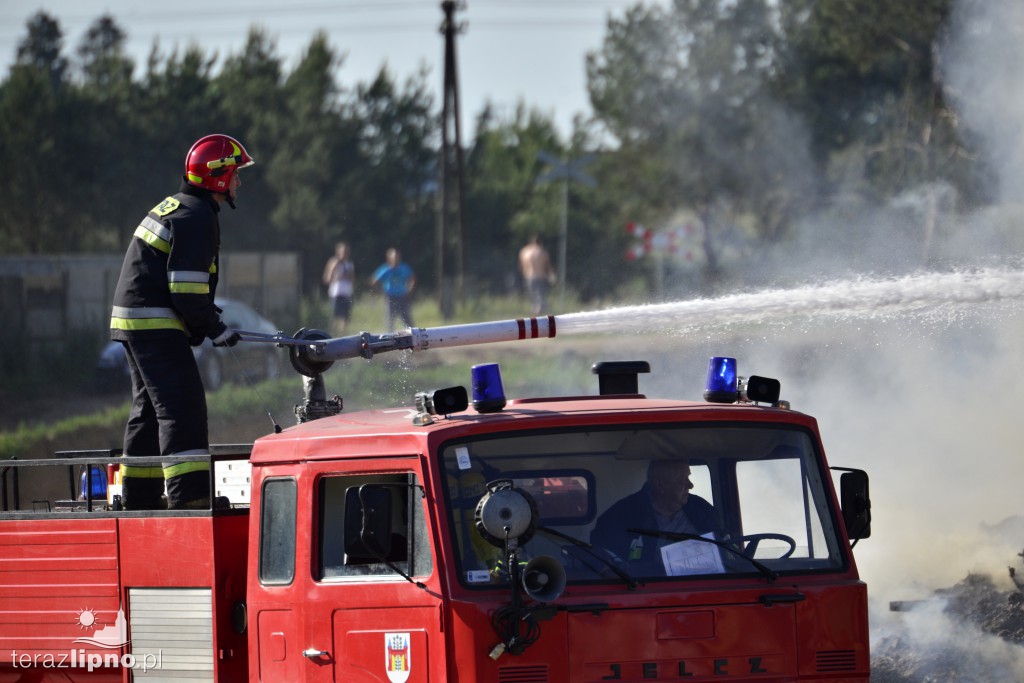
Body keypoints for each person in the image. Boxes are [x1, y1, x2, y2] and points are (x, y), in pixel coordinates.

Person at [109, 134, 254, 510]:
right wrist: (214, 327)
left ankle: (139, 497)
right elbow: (186, 288)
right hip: (154, 321)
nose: (239, 181)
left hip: (137, 318)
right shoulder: (197, 216)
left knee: (148, 409)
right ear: (217, 177)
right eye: (235, 174)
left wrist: (210, 321)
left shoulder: (180, 207)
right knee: (182, 405)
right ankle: (189, 498)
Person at [590, 459, 719, 574]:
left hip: (703, 585)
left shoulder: (701, 509)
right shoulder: (619, 517)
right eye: (681, 481)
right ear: (659, 485)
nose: (690, 485)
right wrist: (657, 569)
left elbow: (727, 546)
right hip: (647, 591)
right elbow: (607, 567)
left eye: (688, 478)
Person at [370, 248, 415, 331]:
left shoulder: (404, 267)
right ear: (389, 258)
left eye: (397, 257)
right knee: (390, 319)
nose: (396, 259)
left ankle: (412, 334)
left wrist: (409, 289)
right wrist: (379, 290)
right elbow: (374, 280)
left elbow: (412, 278)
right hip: (390, 297)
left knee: (407, 318)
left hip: (402, 296)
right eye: (394, 257)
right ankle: (390, 336)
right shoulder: (385, 269)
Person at [323, 241, 355, 335]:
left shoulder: (349, 263)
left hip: (347, 292)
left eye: (347, 251)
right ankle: (333, 333)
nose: (345, 254)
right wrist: (335, 267)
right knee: (336, 316)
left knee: (346, 316)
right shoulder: (333, 262)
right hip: (336, 293)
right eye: (343, 251)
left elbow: (352, 278)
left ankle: (343, 333)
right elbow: (327, 278)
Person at [518, 235, 556, 315]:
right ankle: (541, 311)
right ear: (540, 242)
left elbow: (522, 266)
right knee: (541, 295)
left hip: (528, 276)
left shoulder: (524, 251)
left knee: (532, 295)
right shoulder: (542, 252)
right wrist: (552, 275)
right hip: (540, 276)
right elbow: (548, 266)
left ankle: (537, 310)